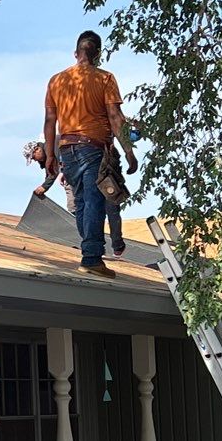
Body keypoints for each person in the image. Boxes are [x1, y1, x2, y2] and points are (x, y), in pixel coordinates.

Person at [43, 30, 138, 279]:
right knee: (95, 201)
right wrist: (128, 151)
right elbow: (115, 117)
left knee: (83, 203)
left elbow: (50, 120)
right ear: (97, 54)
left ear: (76, 53)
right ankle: (92, 258)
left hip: (66, 149)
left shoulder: (56, 80)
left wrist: (50, 156)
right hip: (93, 147)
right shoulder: (104, 79)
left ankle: (89, 251)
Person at [24, 136, 128, 255]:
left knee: (99, 208)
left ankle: (105, 245)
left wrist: (44, 187)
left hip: (101, 173)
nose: (35, 160)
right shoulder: (54, 145)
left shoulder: (53, 145)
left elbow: (53, 171)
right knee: (100, 208)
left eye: (33, 157)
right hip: (93, 171)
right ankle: (113, 245)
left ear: (37, 149)